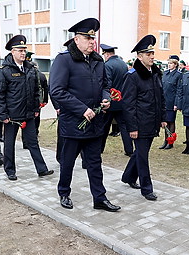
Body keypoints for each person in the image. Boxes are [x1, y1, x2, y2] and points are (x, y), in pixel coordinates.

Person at [50, 18, 120, 212]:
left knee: (95, 162)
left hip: (95, 122)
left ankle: (99, 198)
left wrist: (106, 99)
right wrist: (82, 109)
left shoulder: (98, 61)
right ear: (76, 39)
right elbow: (57, 91)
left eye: (93, 38)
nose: (92, 42)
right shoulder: (64, 60)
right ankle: (64, 192)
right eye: (87, 38)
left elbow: (106, 85)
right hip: (73, 123)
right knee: (68, 162)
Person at [0, 35, 53, 181]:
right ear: (12, 52)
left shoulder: (30, 68)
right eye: (19, 50)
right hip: (12, 116)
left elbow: (35, 91)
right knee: (9, 144)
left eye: (24, 50)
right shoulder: (4, 70)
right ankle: (10, 170)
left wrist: (36, 108)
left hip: (28, 113)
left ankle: (41, 169)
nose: (23, 53)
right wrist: (3, 115)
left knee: (33, 142)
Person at [121, 34, 166, 201]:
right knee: (142, 156)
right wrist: (132, 128)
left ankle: (128, 177)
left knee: (141, 153)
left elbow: (160, 97)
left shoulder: (155, 73)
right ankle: (147, 188)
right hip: (139, 125)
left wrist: (163, 117)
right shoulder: (132, 76)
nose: (152, 57)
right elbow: (128, 104)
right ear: (139, 56)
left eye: (152, 53)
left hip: (152, 122)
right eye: (148, 54)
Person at [99, 43, 133, 156]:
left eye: (104, 54)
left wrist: (106, 99)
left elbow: (107, 84)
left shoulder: (107, 65)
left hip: (110, 102)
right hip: (121, 100)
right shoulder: (123, 64)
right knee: (124, 126)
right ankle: (129, 150)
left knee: (104, 127)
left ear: (107, 54)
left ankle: (99, 149)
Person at [21, 53, 49, 149]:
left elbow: (45, 88)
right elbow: (46, 89)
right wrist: (45, 100)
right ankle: (35, 134)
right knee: (35, 120)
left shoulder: (33, 75)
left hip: (30, 102)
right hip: (37, 102)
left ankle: (25, 141)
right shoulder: (41, 75)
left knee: (26, 122)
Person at [159, 55, 181, 150]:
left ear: (175, 65)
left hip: (172, 101)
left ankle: (170, 141)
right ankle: (166, 140)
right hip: (164, 101)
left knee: (171, 121)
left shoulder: (178, 75)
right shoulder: (165, 73)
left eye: (171, 63)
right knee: (165, 121)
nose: (169, 65)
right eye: (168, 63)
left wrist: (176, 103)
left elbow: (179, 90)